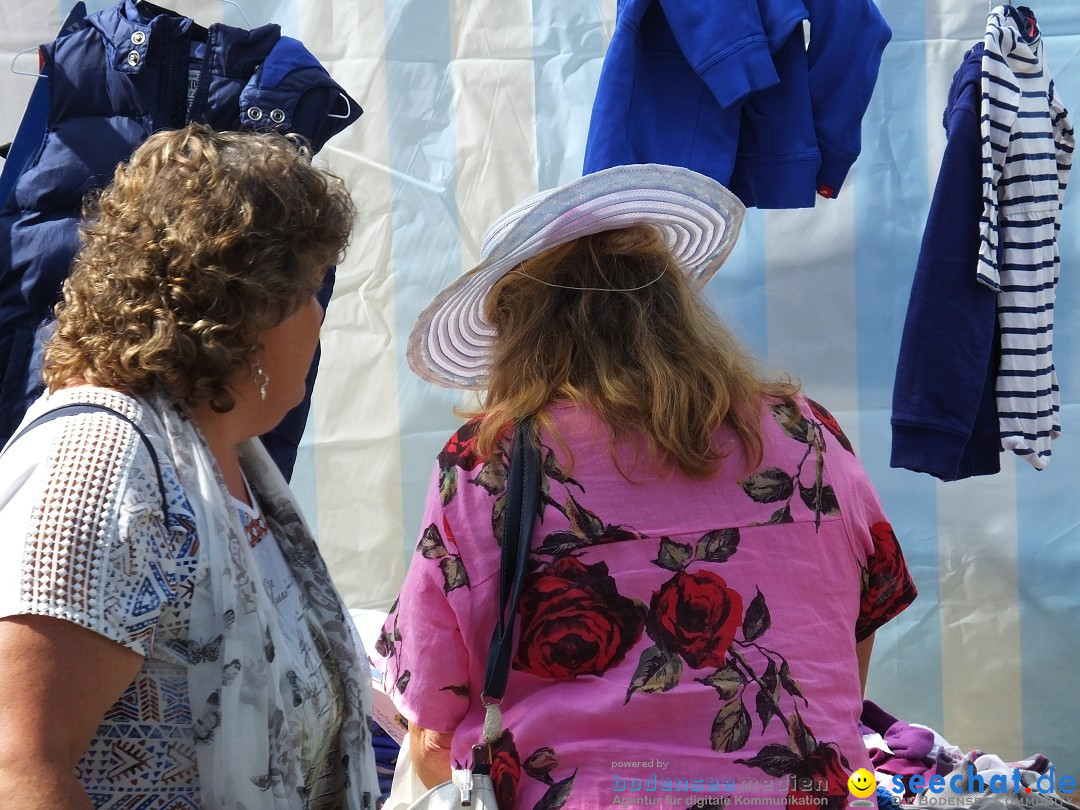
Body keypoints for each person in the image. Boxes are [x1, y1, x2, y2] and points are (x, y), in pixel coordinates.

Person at [379, 164, 918, 809]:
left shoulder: (491, 461)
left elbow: (432, 718)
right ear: (676, 306)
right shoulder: (807, 435)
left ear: (519, 331)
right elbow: (857, 631)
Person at [0, 124, 379, 809]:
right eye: (316, 286)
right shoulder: (99, 462)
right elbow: (18, 764)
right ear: (253, 307)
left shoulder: (218, 461)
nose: (322, 317)